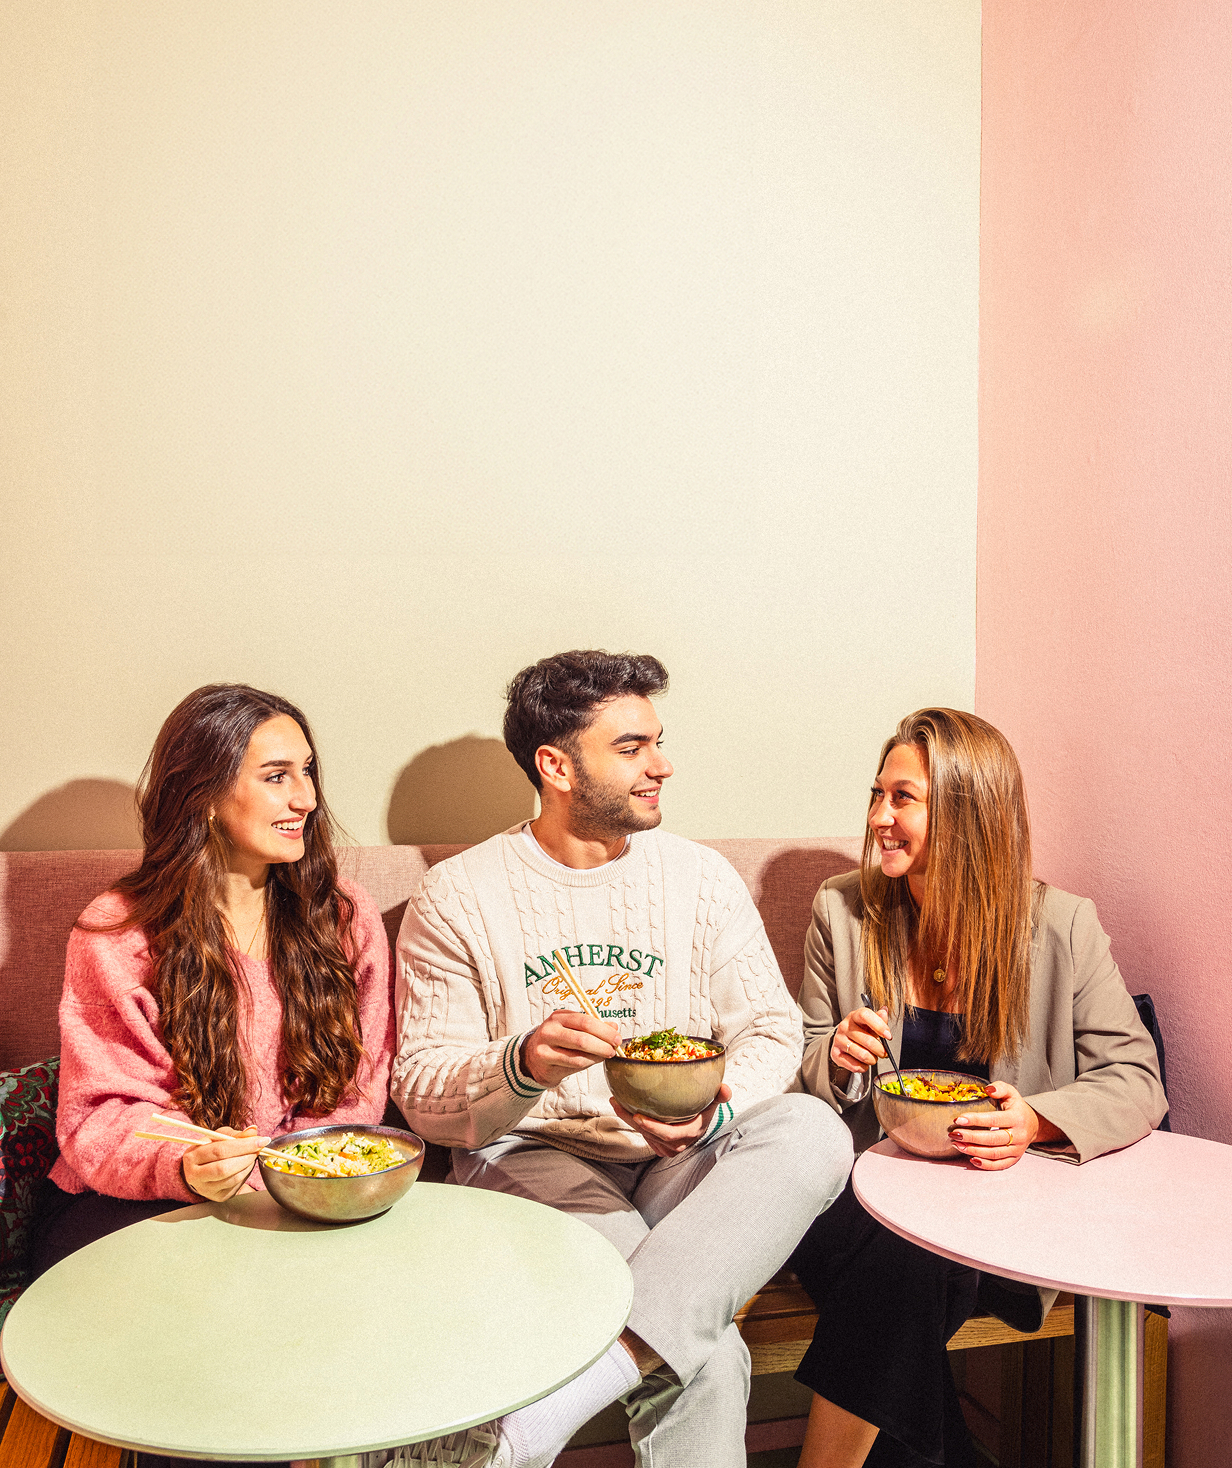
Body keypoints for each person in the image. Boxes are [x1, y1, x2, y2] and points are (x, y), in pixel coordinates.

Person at [391, 650, 852, 1468]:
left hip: (685, 1154)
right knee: (708, 1357)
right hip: (538, 1159)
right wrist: (522, 1064)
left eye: (657, 743)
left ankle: (533, 1426)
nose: (661, 766)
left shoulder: (699, 879)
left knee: (816, 1130)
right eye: (632, 748)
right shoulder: (458, 895)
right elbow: (422, 1091)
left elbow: (773, 1032)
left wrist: (711, 1111)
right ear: (556, 766)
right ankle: (558, 1408)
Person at [790, 708, 1168, 1468]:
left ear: (967, 813)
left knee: (911, 1260)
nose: (878, 817)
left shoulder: (1061, 926)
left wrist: (1035, 1121)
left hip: (997, 1213)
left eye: (903, 798)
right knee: (901, 1255)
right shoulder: (842, 910)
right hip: (860, 1198)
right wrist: (834, 1056)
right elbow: (797, 1062)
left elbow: (1135, 1076)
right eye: (877, 794)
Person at [32, 683, 394, 1279]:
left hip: (302, 1188)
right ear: (203, 796)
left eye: (307, 771)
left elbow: (358, 1088)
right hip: (136, 1199)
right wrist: (187, 1164)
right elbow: (100, 1113)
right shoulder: (119, 931)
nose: (306, 797)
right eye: (276, 776)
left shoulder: (342, 916)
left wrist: (286, 1178)